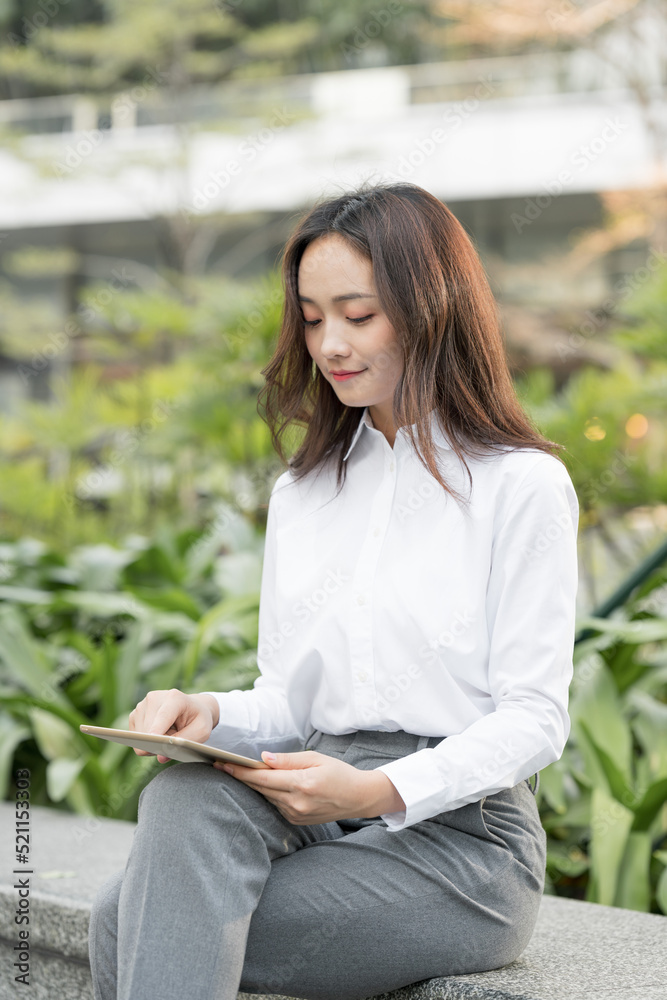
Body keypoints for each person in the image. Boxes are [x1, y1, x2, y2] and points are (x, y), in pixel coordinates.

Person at [88, 182, 579, 1000]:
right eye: (312, 318)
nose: (330, 344)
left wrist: (379, 789)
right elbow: (289, 698)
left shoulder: (518, 486)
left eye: (358, 314)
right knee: (185, 797)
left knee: (122, 922)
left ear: (432, 309)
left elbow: (535, 717)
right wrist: (208, 712)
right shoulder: (305, 491)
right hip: (310, 787)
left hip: (460, 841)